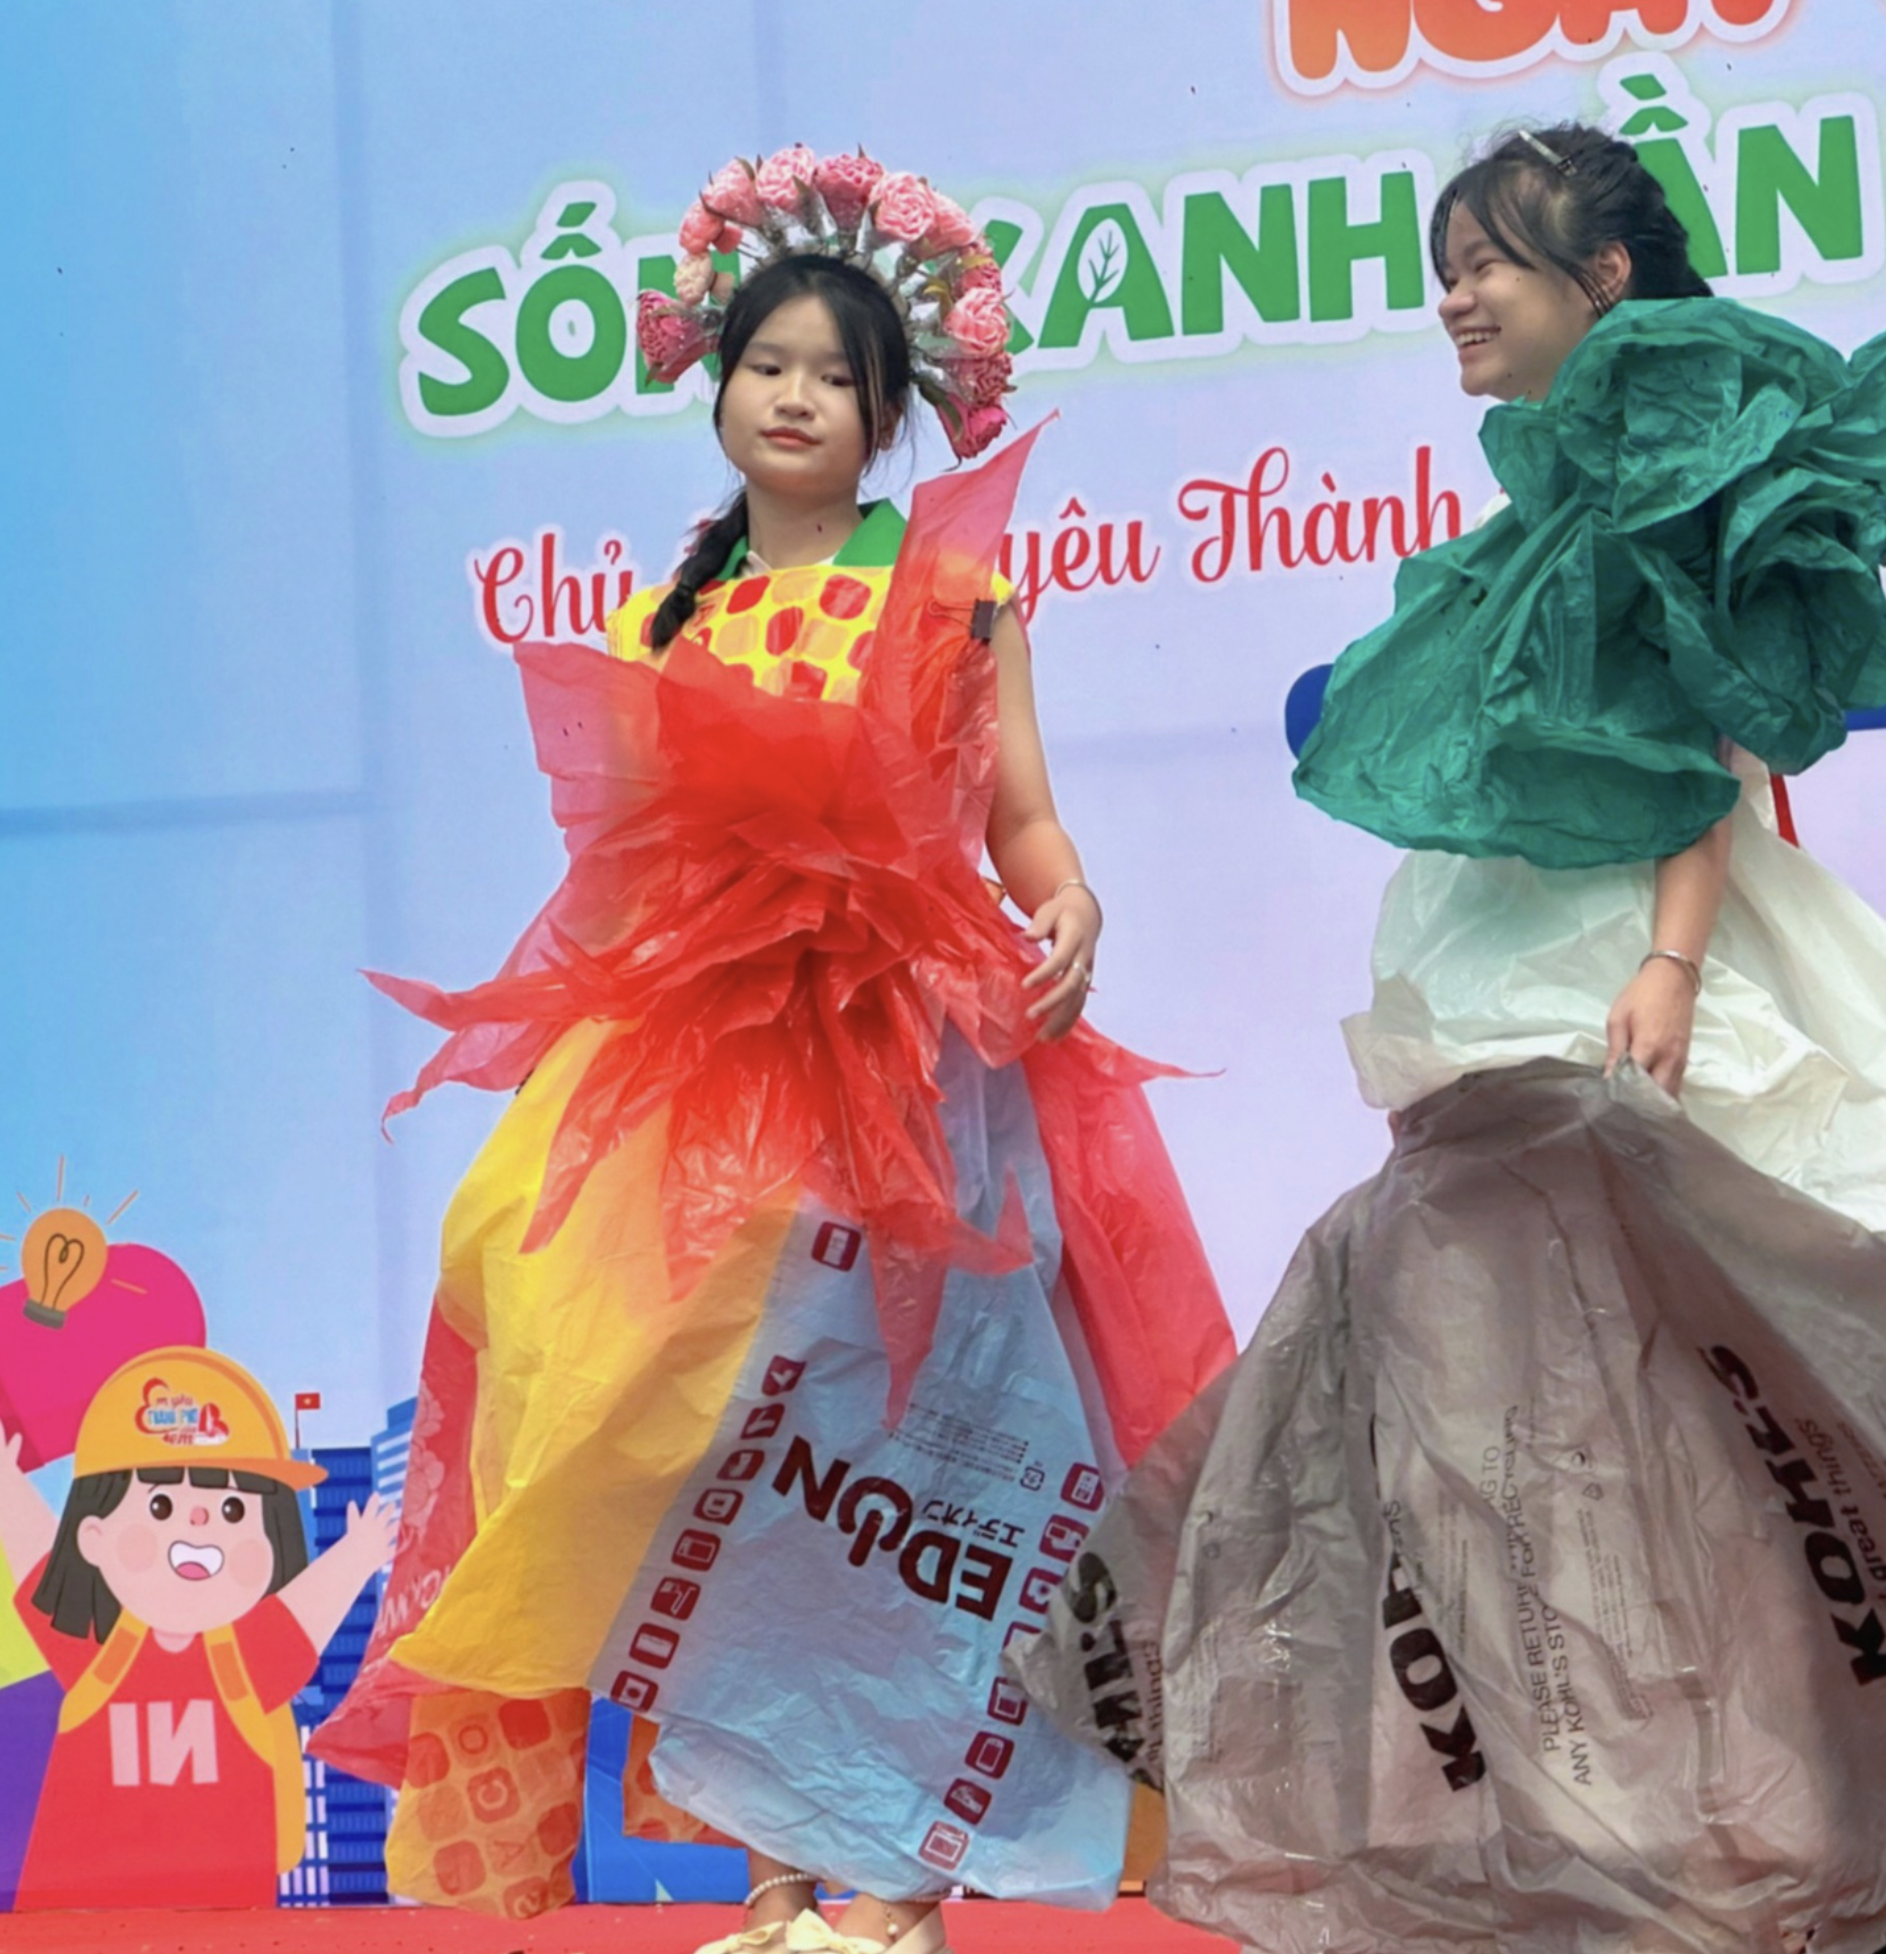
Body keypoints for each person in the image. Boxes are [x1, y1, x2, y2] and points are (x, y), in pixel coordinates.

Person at [1017, 125, 1886, 1954]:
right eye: (1441, 263)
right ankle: (1678, 1823)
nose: (1450, 295)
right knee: (1577, 1427)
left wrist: (1674, 963)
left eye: (1488, 261)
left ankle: (1866, 1815)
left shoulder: (1675, 445)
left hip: (1634, 972)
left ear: (1601, 281)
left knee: (1775, 1399)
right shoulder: (1541, 508)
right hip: (1522, 985)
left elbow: (1721, 722)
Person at [310, 146, 1234, 1953]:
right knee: (704, 1452)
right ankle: (780, 1875)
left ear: (892, 414)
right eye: (766, 365)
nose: (794, 396)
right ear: (714, 386)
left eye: (833, 373)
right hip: (706, 1084)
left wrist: (1068, 905)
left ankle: (899, 1878)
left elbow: (1019, 821)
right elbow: (626, 875)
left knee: (898, 1458)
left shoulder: (956, 595)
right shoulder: (672, 615)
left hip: (911, 1072)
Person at [0, 1347, 396, 1910]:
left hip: (227, 1919)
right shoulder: (96, 1651)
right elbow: (40, 1566)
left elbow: (303, 1613)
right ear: (91, 1537)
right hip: (75, 1919)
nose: (199, 1521)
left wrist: (355, 1556)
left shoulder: (246, 1658)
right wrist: (8, 1486)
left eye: (235, 1512)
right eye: (159, 1504)